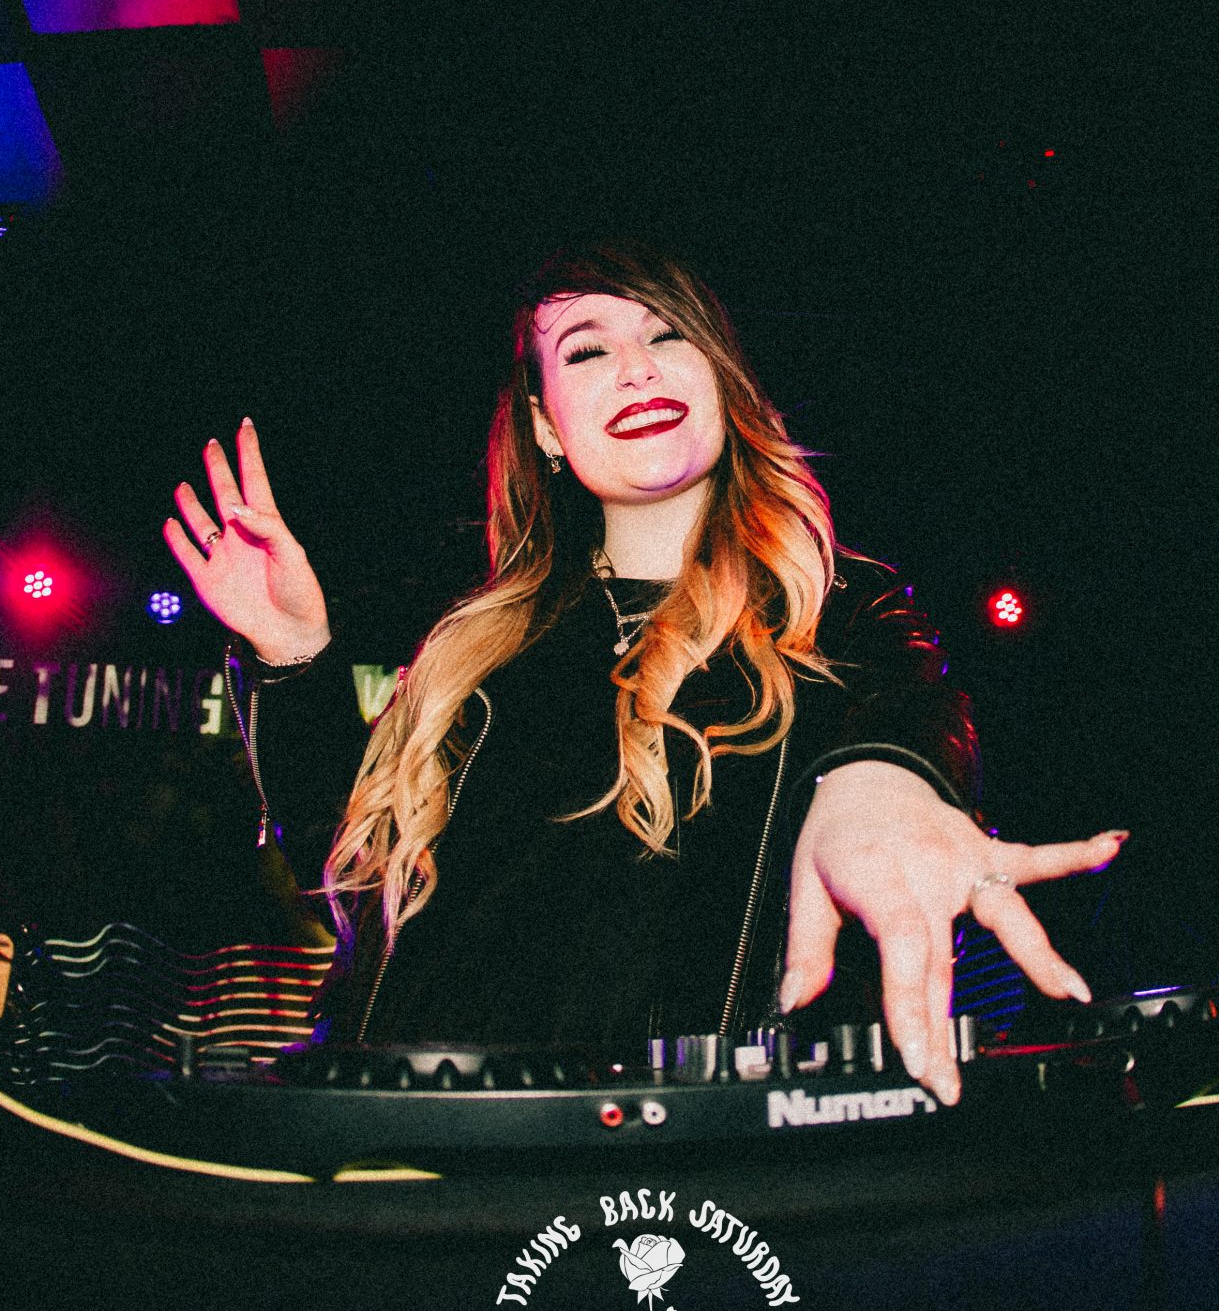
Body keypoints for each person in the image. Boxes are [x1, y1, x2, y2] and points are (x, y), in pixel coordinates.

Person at [163, 242, 1124, 1103]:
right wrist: (294, 658)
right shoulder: (475, 648)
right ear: (546, 425)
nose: (636, 366)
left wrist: (881, 790)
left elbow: (899, 724)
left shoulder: (836, 610)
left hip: (682, 1164)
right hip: (424, 1151)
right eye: (587, 350)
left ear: (724, 380)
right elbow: (355, 862)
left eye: (669, 335)